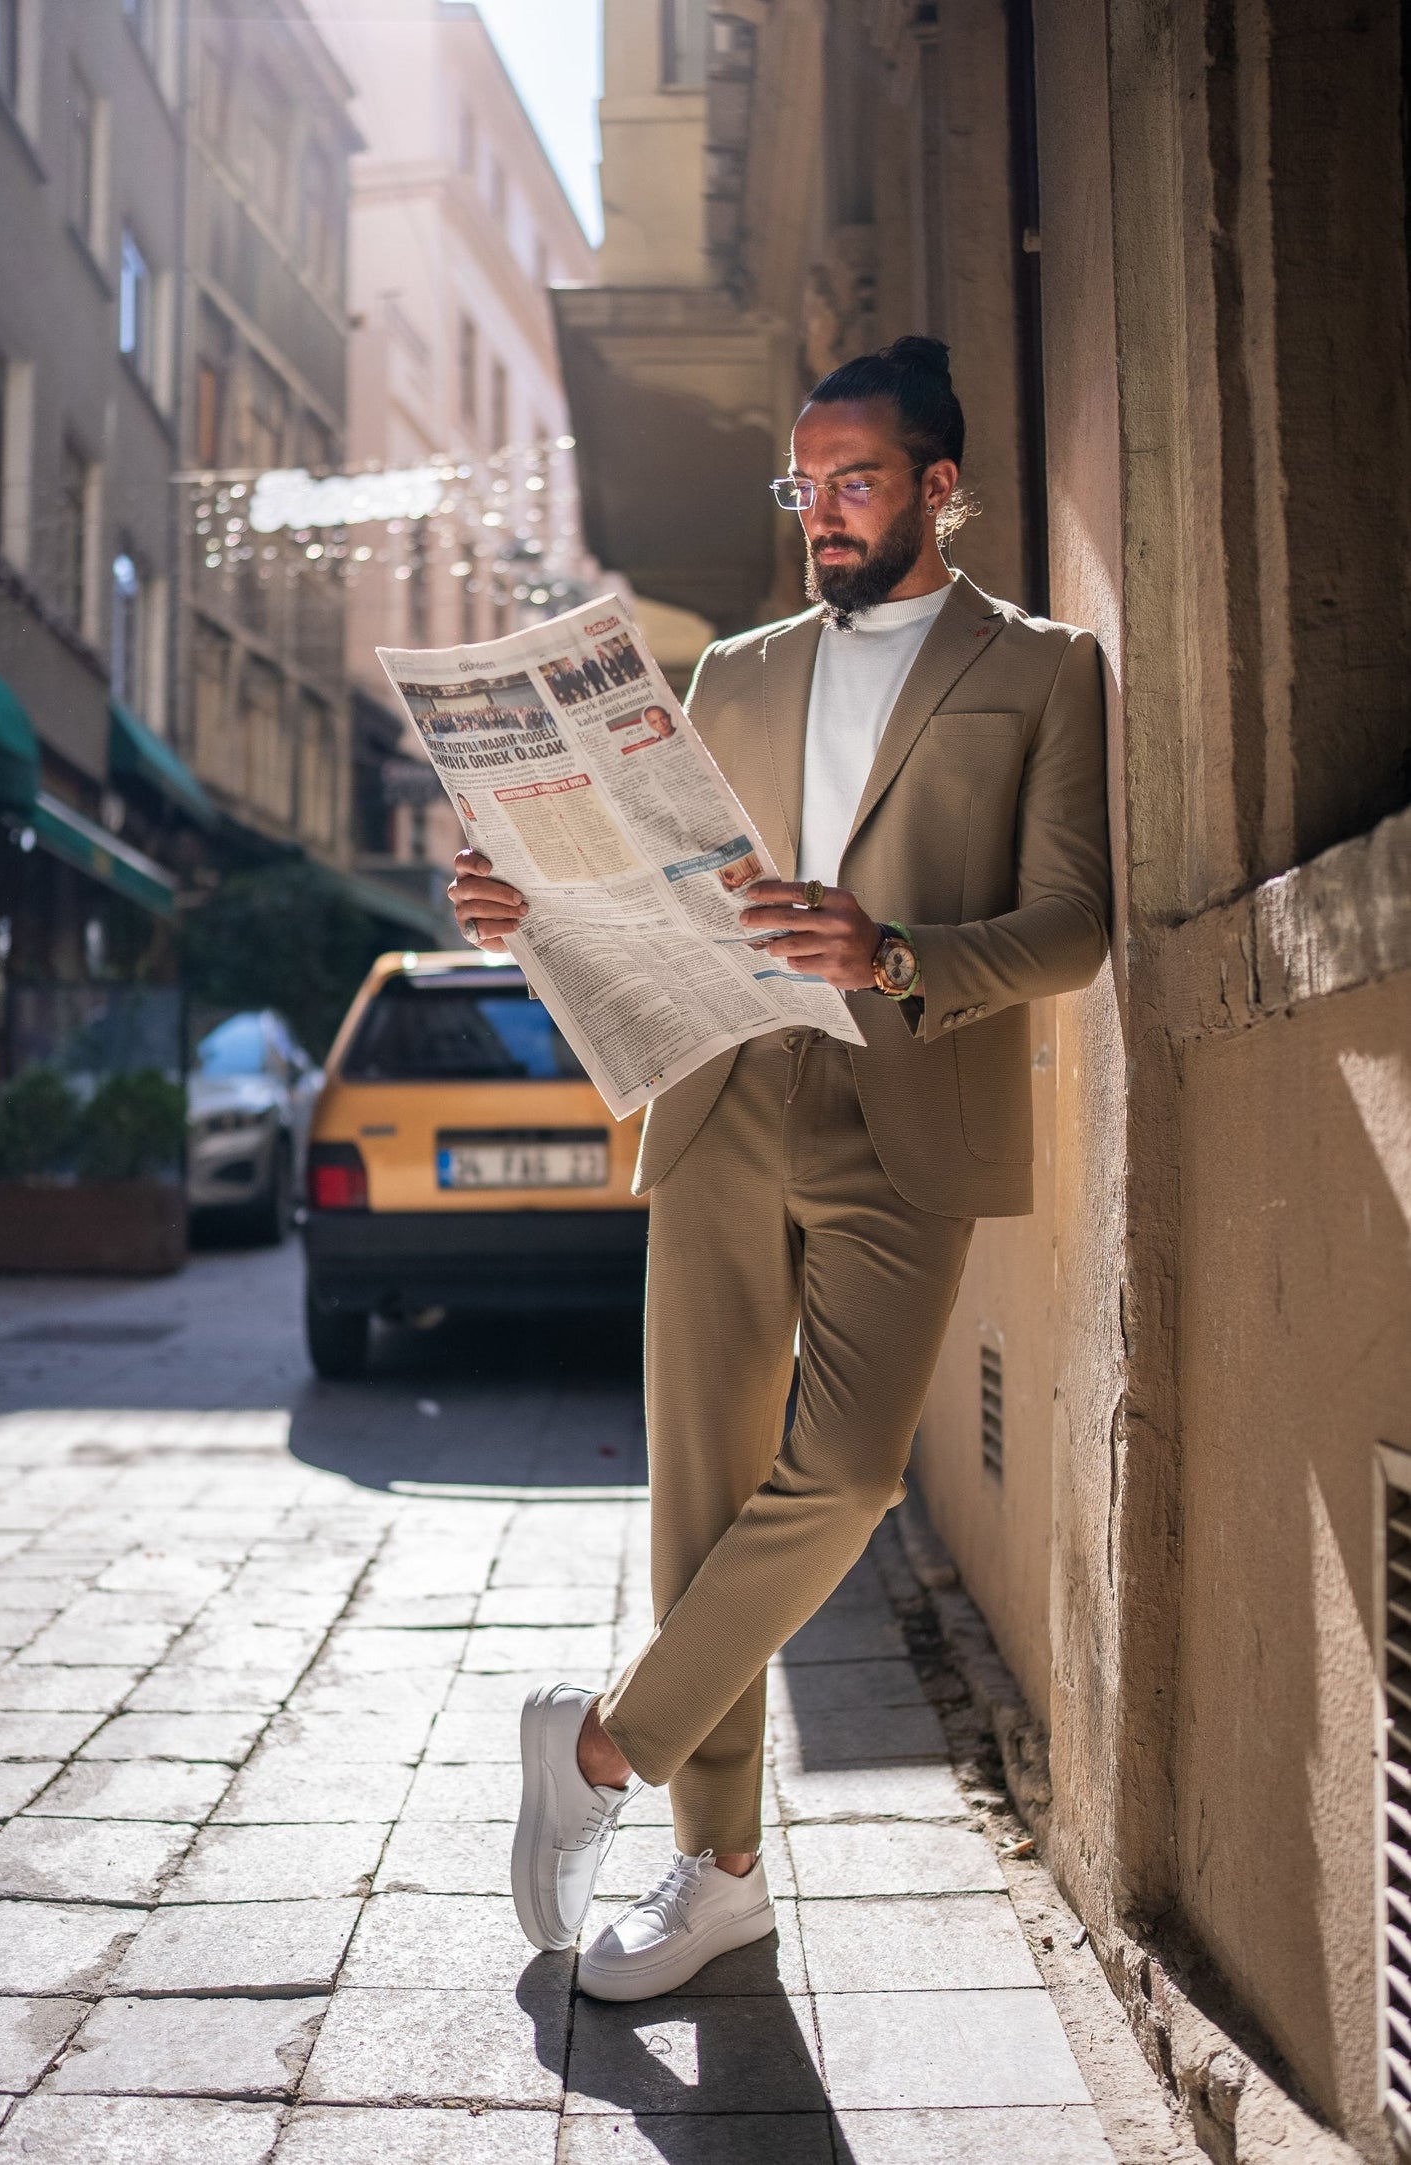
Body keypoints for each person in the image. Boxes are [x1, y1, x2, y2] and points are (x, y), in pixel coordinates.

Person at [449, 335, 1109, 2001]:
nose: (821, 513)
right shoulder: (732, 670)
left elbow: (1075, 922)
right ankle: (714, 1873)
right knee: (702, 1488)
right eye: (801, 487)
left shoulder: (1042, 671)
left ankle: (600, 1746)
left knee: (847, 1472)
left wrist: (890, 954)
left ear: (938, 487)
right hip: (725, 1090)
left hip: (909, 1104)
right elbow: (652, 898)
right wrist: (528, 915)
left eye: (856, 482)